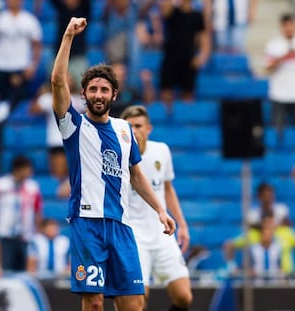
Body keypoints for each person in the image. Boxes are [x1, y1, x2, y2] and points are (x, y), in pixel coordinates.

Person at [50, 17, 176, 311]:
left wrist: (160, 209)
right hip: (88, 225)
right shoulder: (74, 126)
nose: (98, 94)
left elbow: (136, 174)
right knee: (94, 304)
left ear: (114, 95)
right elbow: (57, 81)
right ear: (83, 94)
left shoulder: (124, 130)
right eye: (92, 89)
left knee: (134, 305)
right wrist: (68, 35)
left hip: (121, 226)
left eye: (104, 90)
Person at [120, 105, 192, 310]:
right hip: (134, 237)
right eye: (130, 126)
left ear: (148, 128)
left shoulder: (161, 150)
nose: (134, 130)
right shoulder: (117, 156)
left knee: (184, 297)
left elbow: (168, 188)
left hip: (162, 235)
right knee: (138, 301)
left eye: (138, 126)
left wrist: (183, 225)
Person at [0, 155, 43, 272]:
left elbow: (37, 210)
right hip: (6, 236)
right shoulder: (1, 184)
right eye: (27, 169)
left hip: (25, 236)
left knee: (25, 271)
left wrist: (38, 231)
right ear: (18, 169)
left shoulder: (33, 187)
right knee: (7, 270)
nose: (30, 172)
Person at [0, 0, 43, 101]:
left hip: (20, 66)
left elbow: (37, 45)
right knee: (0, 100)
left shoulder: (29, 20)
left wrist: (33, 65)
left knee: (18, 100)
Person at [222, 214, 295, 278]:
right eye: (266, 223)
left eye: (271, 222)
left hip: (286, 277)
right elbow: (229, 245)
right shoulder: (252, 235)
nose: (269, 226)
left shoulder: (286, 232)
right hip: (258, 279)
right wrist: (231, 265)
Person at [158, 0, 211, 109]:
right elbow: (164, 9)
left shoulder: (197, 15)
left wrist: (201, 58)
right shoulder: (172, 11)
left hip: (189, 60)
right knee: (166, 93)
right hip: (170, 59)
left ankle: (187, 121)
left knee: (188, 95)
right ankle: (167, 120)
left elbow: (204, 38)